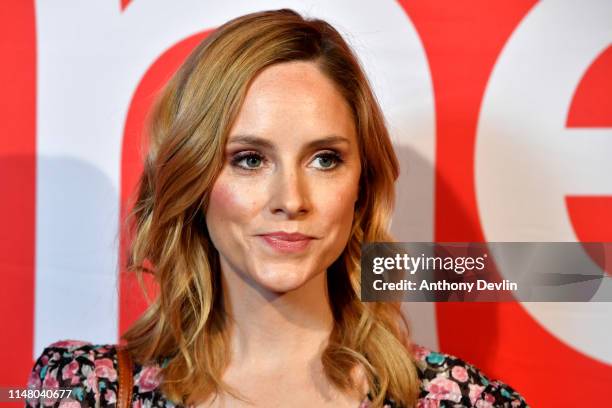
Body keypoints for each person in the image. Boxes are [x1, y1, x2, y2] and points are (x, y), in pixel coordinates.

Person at [26, 9, 529, 408]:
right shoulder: (80, 391)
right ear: (194, 179)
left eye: (325, 159)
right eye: (249, 159)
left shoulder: (464, 400)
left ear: (362, 185)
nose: (290, 200)